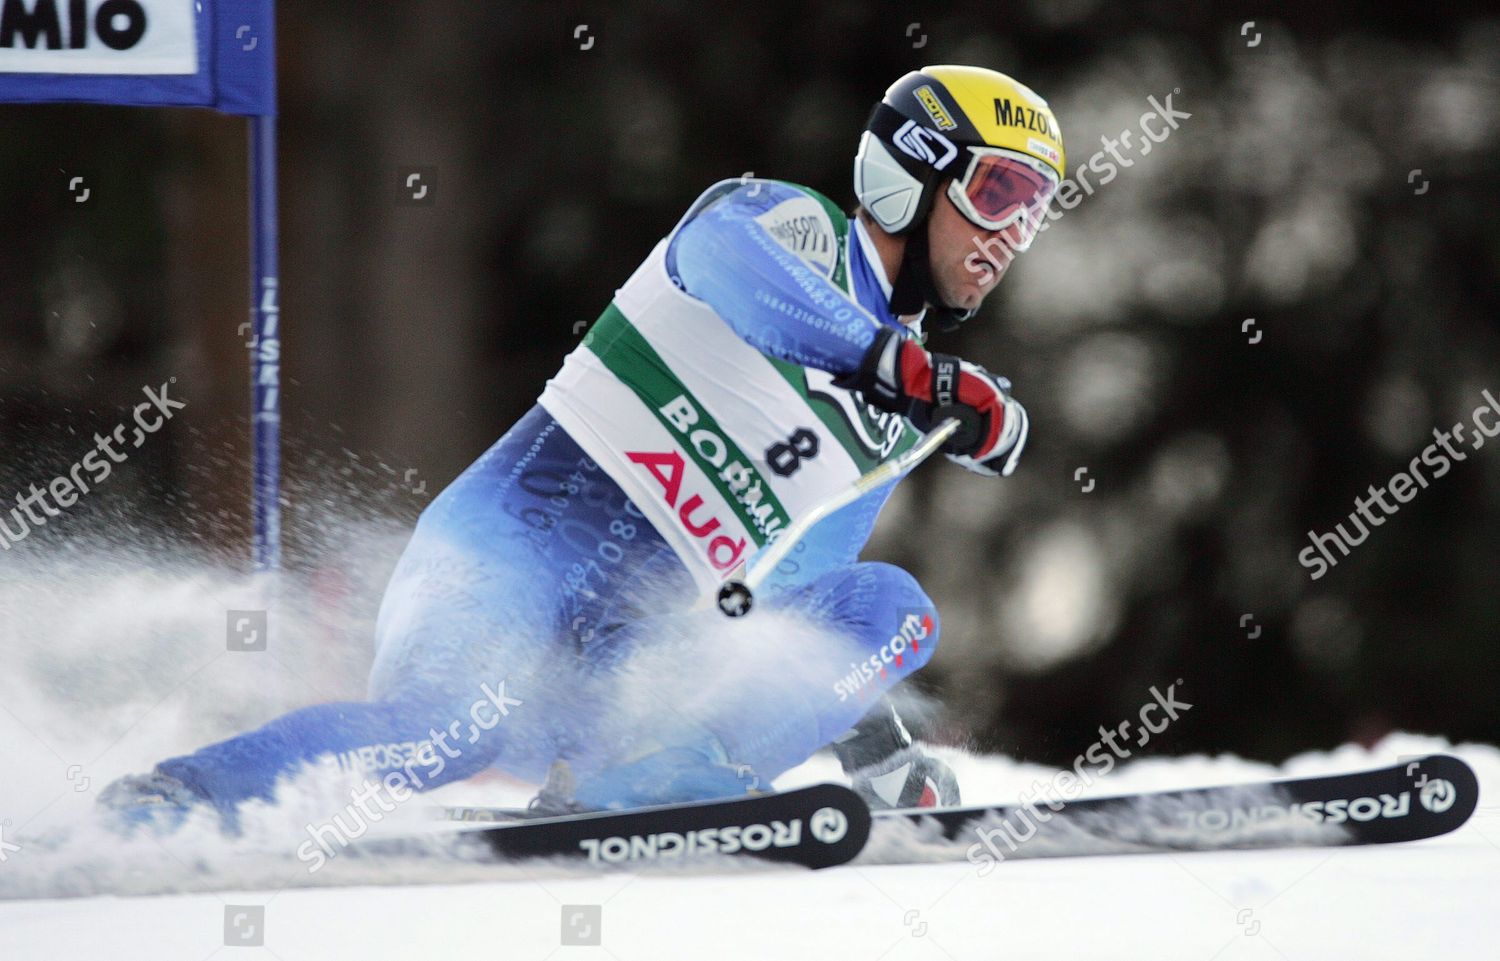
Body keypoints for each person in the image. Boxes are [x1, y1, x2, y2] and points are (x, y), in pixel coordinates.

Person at [100, 64, 1065, 829]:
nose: (1012, 233)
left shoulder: (897, 413)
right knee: (439, 731)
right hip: (517, 547)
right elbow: (721, 266)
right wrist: (903, 369)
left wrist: (875, 745)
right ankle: (177, 799)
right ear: (911, 171)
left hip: (625, 675)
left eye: (1035, 209)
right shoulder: (785, 224)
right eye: (997, 191)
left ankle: (654, 789)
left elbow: (784, 610)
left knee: (895, 609)